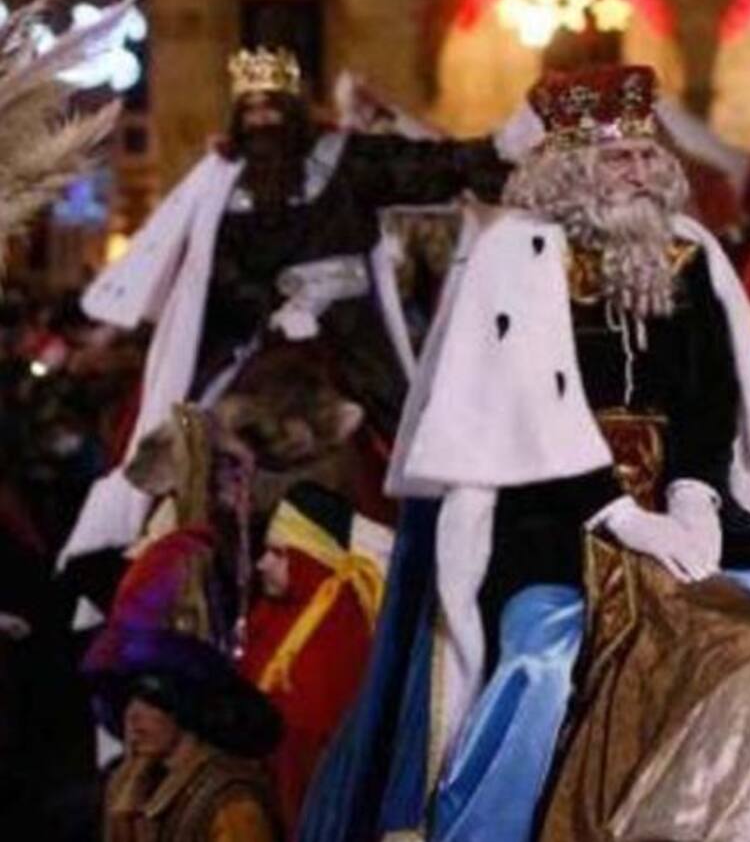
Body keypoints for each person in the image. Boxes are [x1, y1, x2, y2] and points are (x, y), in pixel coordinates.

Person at [301, 65, 750, 842]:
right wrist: (618, 513)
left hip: (680, 497)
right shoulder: (513, 255)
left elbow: (709, 396)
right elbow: (530, 404)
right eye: (620, 158)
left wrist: (693, 496)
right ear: (569, 166)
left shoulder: (689, 253)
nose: (642, 172)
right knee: (539, 661)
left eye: (649, 155)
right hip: (549, 506)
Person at [62, 46, 523, 568]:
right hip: (257, 337)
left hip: (349, 340)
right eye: (251, 110)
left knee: (408, 438)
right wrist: (270, 309)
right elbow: (219, 270)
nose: (262, 121)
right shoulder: (222, 186)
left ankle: (438, 554)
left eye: (272, 108)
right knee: (176, 432)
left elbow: (422, 167)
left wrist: (497, 147)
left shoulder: (345, 160)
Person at [83, 527, 283, 842]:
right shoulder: (129, 785)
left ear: (184, 706)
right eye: (127, 700)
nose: (133, 715)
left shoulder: (229, 803)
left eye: (151, 700)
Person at [239, 483, 386, 839]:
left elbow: (312, 729)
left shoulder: (338, 628)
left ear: (310, 556)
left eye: (277, 553)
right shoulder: (274, 613)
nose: (261, 564)